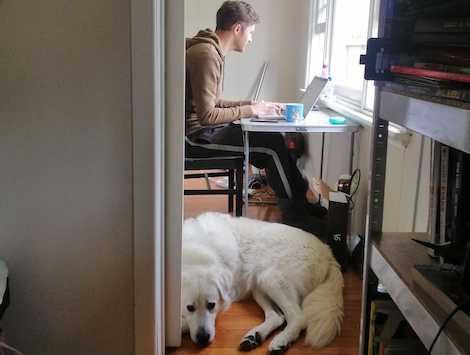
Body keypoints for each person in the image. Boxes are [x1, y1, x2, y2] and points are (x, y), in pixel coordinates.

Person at [185, 0, 326, 233]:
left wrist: (251, 104)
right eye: (251, 32)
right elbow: (208, 115)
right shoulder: (206, 55)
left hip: (203, 130)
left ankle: (301, 204)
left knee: (274, 140)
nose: (251, 38)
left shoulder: (209, 50)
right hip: (196, 138)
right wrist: (251, 111)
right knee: (271, 145)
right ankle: (296, 217)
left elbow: (212, 102)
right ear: (237, 28)